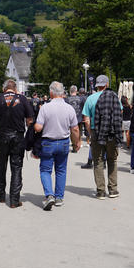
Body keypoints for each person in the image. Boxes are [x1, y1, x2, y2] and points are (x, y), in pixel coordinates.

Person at [34, 82, 80, 210]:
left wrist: (34, 126)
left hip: (48, 142)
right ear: (63, 93)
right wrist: (76, 143)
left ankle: (49, 195)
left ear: (51, 93)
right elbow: (75, 129)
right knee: (61, 170)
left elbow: (38, 127)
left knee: (45, 170)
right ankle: (59, 197)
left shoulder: (45, 108)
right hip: (64, 142)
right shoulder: (69, 108)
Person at [0, 79, 34, 208]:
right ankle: (14, 200)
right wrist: (29, 137)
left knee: (1, 166)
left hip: (2, 137)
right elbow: (30, 120)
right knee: (17, 168)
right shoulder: (23, 99)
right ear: (15, 89)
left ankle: (0, 195)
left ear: (4, 89)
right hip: (18, 137)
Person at [92, 75, 123, 199]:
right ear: (107, 84)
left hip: (99, 134)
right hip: (113, 134)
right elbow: (118, 117)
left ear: (97, 86)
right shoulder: (116, 98)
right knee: (112, 161)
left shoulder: (93, 98)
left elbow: (91, 119)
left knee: (98, 162)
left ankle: (100, 191)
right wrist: (119, 136)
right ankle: (113, 189)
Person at [81, 77, 108, 170]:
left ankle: (90, 161)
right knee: (106, 144)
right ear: (107, 84)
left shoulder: (90, 98)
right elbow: (120, 111)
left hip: (94, 127)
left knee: (93, 144)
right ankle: (104, 161)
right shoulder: (113, 97)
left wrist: (89, 130)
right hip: (108, 127)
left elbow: (87, 119)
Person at [65, 85, 85, 153]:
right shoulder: (81, 99)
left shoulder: (67, 99)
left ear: (70, 91)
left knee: (71, 132)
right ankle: (78, 144)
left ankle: (74, 146)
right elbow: (84, 108)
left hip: (70, 119)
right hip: (79, 118)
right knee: (79, 132)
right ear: (76, 91)